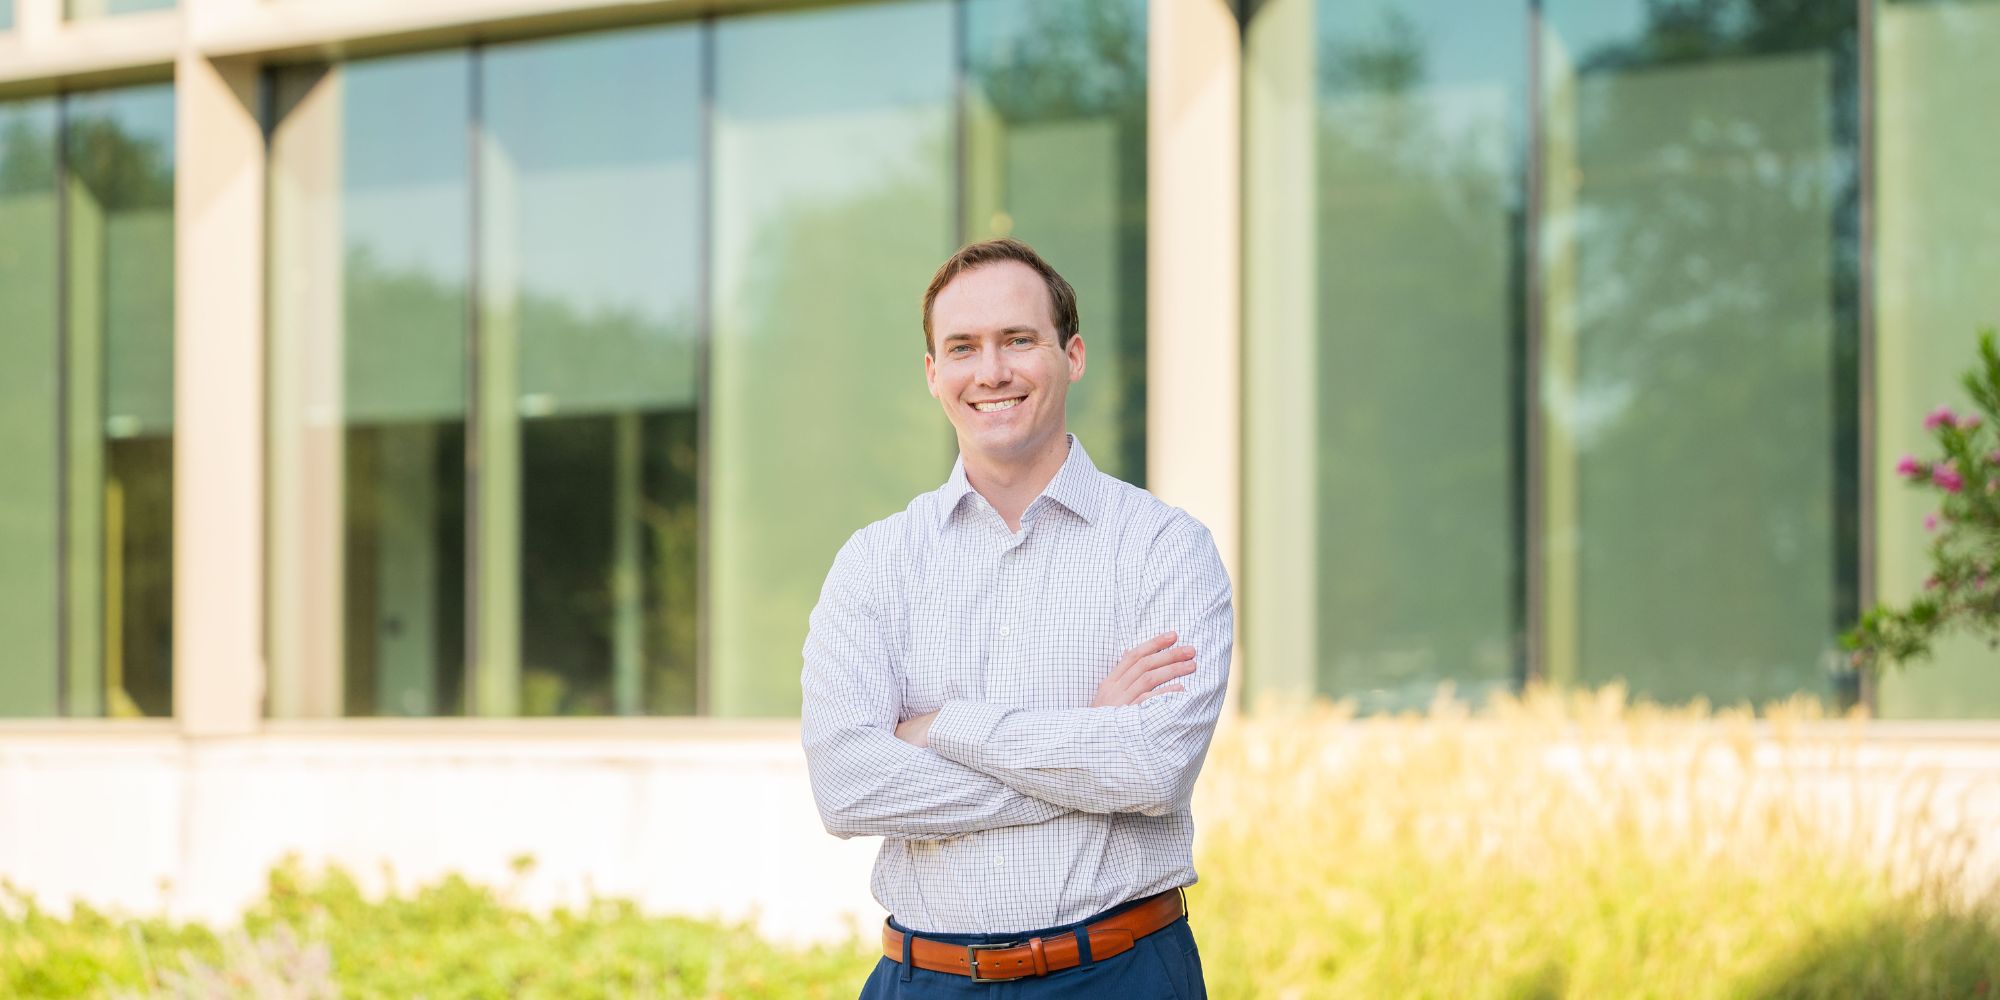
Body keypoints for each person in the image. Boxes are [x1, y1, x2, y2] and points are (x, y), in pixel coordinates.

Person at [801, 237, 1232, 997]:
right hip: (924, 980)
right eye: (962, 347)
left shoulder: (1165, 548)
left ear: (1072, 355)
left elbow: (1154, 770)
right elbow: (847, 788)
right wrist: (1085, 738)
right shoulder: (876, 563)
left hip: (1120, 974)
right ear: (934, 374)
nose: (990, 371)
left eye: (1018, 340)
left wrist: (941, 729)